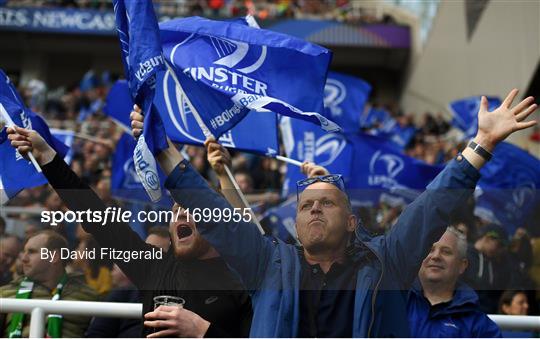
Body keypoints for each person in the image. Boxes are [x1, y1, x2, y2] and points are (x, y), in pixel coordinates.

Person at [128, 90, 537, 336]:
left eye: (327, 202)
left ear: (352, 220)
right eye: (306, 205)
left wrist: (482, 143)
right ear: (297, 221)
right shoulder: (268, 263)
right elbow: (211, 209)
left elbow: (433, 206)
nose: (315, 210)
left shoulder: (387, 263)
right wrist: (165, 152)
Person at [7, 128, 252, 337]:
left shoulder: (244, 277)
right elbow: (97, 217)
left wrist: (201, 331)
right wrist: (49, 158)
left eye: (192, 209)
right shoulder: (154, 268)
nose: (181, 215)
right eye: (176, 211)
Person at [0, 230, 98, 337]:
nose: (24, 258)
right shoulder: (5, 294)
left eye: (32, 252)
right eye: (24, 251)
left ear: (54, 257)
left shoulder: (88, 297)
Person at [408, 227, 501, 337]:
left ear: (462, 265)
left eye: (446, 252)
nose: (436, 256)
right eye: (429, 249)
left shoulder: (478, 325)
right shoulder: (394, 304)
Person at [463, 224, 512, 313]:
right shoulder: (464, 255)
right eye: (499, 245)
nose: (500, 250)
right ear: (488, 238)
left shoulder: (495, 264)